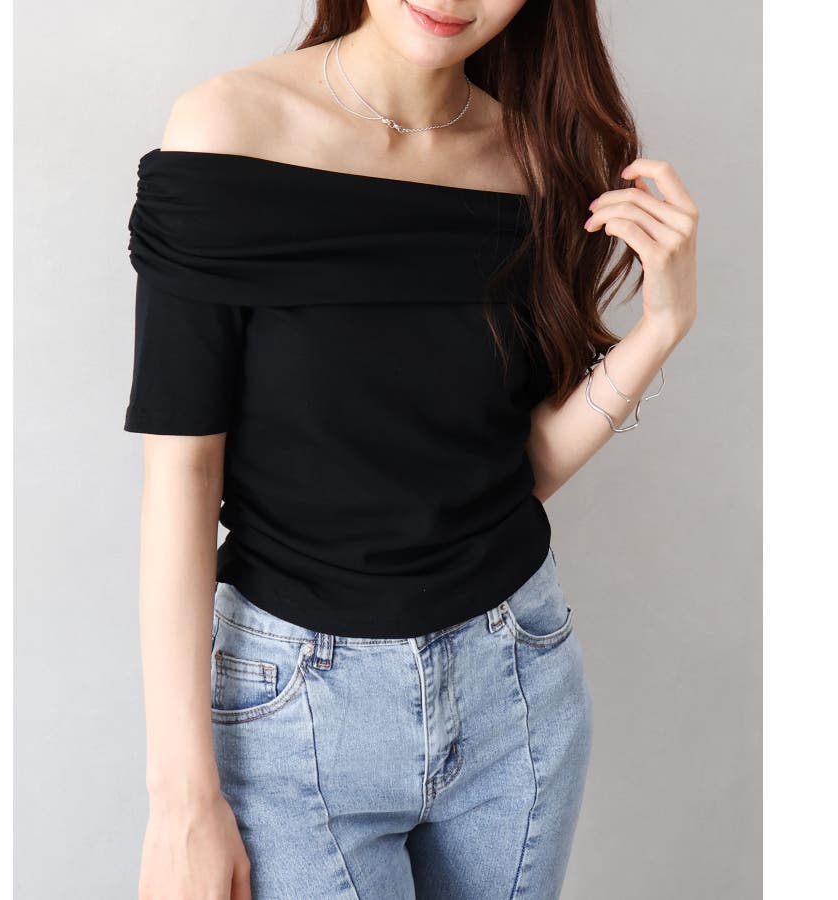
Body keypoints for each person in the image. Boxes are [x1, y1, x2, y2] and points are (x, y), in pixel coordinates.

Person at [123, 2, 698, 898]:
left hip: (517, 683)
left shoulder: (533, 159)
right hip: (296, 710)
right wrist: (181, 800)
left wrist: (661, 328)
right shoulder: (229, 129)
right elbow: (182, 474)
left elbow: (510, 471)